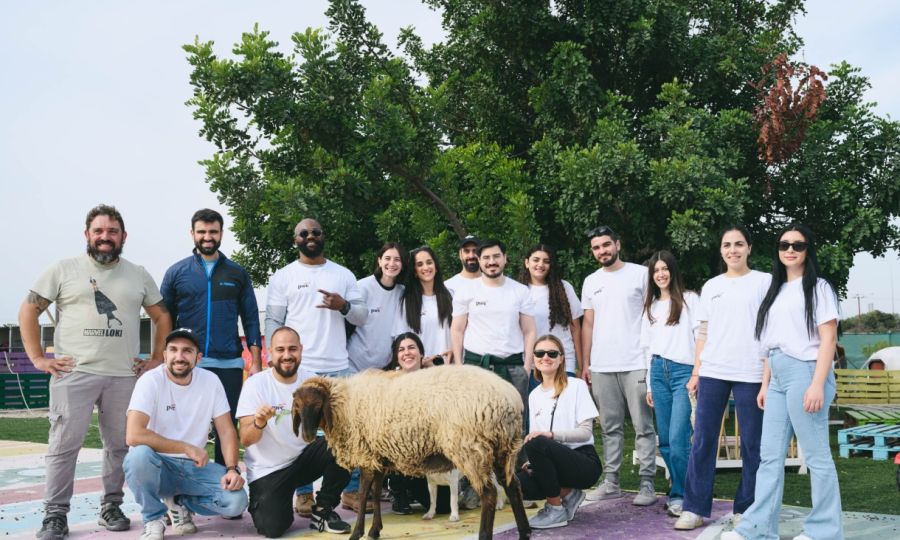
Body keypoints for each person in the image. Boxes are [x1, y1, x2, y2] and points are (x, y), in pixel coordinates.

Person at [18, 204, 172, 540]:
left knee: (119, 446)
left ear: (123, 236)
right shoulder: (63, 269)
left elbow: (161, 316)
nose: (105, 237)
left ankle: (111, 507)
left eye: (112, 231)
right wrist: (38, 358)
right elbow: (28, 310)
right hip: (74, 373)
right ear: (87, 235)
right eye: (99, 231)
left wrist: (156, 358)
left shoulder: (138, 274)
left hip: (123, 375)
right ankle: (55, 514)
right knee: (64, 446)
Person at [723, 224, 843, 540]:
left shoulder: (819, 288)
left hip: (806, 371)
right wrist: (766, 384)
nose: (790, 250)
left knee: (817, 456)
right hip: (777, 375)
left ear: (808, 250)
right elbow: (770, 343)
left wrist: (817, 384)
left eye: (798, 245)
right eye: (784, 244)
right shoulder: (774, 290)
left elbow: (828, 339)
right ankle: (758, 529)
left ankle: (825, 532)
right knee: (769, 457)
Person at [265, 218, 368, 515]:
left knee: (346, 433)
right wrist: (275, 356)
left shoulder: (343, 274)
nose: (310, 236)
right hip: (302, 369)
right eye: (303, 233)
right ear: (295, 239)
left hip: (338, 368)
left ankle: (350, 491)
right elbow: (274, 320)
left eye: (315, 232)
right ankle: (304, 494)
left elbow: (361, 316)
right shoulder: (283, 276)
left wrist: (343, 306)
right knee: (302, 431)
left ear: (324, 236)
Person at [675, 225, 771, 530]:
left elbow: (771, 329)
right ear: (721, 250)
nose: (733, 250)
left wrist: (767, 376)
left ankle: (747, 509)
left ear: (749, 248)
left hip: (751, 371)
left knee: (752, 443)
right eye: (727, 245)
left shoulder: (765, 282)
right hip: (713, 370)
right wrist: (696, 371)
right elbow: (703, 332)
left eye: (739, 244)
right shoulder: (712, 285)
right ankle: (694, 508)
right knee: (703, 440)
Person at [160, 208, 262, 467]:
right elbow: (164, 319)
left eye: (213, 232)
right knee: (183, 425)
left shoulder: (237, 273)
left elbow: (251, 318)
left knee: (226, 426)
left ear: (221, 234)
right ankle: (182, 484)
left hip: (228, 363)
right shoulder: (176, 273)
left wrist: (256, 362)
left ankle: (225, 479)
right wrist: (164, 357)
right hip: (188, 363)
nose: (207, 237)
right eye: (202, 232)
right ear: (192, 233)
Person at [123, 328, 248, 540]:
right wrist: (186, 447)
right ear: (165, 355)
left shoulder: (211, 381)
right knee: (138, 456)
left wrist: (232, 469)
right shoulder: (150, 380)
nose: (179, 356)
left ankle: (179, 503)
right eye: (173, 350)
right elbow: (133, 435)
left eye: (187, 351)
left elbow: (226, 430)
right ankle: (153, 519)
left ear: (198, 357)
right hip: (158, 465)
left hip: (193, 468)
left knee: (236, 502)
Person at [237, 326, 352, 537]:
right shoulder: (255, 385)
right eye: (280, 349)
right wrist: (259, 422)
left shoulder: (312, 382)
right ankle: (274, 503)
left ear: (301, 350)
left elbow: (332, 424)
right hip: (268, 471)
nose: (287, 355)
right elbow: (245, 439)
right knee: (273, 528)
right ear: (270, 352)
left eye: (292, 349)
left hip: (302, 460)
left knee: (344, 445)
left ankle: (323, 510)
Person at [580, 225, 658, 505]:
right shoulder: (590, 281)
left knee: (643, 425)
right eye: (596, 247)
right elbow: (588, 324)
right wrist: (586, 363)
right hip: (602, 365)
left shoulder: (641, 274)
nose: (602, 251)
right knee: (609, 427)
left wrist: (651, 359)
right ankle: (611, 481)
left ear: (617, 244)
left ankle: (647, 483)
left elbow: (653, 315)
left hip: (636, 361)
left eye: (606, 245)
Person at [517, 335, 601, 529]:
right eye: (540, 353)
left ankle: (555, 509)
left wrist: (551, 435)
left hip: (583, 462)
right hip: (552, 463)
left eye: (552, 353)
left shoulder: (576, 385)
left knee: (537, 442)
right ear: (534, 358)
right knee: (517, 483)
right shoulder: (534, 395)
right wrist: (532, 462)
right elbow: (536, 439)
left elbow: (585, 433)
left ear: (562, 358)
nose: (545, 357)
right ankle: (570, 495)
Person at [640, 250, 700, 517]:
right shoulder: (650, 307)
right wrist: (649, 386)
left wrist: (696, 374)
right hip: (657, 372)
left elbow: (701, 338)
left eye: (665, 269)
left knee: (678, 438)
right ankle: (678, 489)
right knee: (664, 439)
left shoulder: (689, 300)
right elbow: (646, 348)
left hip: (682, 372)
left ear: (673, 271)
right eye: (656, 270)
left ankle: (682, 496)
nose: (661, 274)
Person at [451, 239, 537, 406]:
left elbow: (530, 331)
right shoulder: (466, 290)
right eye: (486, 257)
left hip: (513, 367)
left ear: (505, 258)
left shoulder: (520, 291)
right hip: (476, 366)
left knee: (515, 419)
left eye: (496, 256)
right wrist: (459, 366)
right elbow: (457, 330)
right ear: (479, 260)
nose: (492, 262)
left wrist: (526, 368)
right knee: (475, 418)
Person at [518, 244, 584, 377]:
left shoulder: (564, 288)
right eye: (536, 260)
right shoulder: (518, 291)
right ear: (527, 263)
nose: (540, 264)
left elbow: (576, 329)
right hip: (532, 366)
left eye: (546, 261)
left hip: (563, 364)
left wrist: (582, 366)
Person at [347, 243, 406, 373]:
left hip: (384, 369)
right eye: (387, 258)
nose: (392, 263)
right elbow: (348, 326)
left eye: (397, 259)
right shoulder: (362, 287)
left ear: (402, 265)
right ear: (379, 261)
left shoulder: (402, 292)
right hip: (354, 366)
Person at [393, 246, 454, 365]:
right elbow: (400, 340)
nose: (426, 267)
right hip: (421, 368)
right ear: (415, 271)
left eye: (429, 262)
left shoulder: (450, 295)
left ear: (436, 267)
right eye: (420, 264)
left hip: (449, 367)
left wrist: (454, 351)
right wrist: (420, 361)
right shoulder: (406, 302)